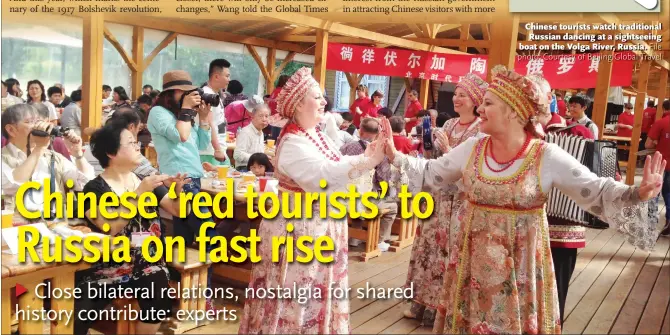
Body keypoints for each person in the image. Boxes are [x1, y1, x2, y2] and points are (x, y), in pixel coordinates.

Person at [381, 65, 663, 334]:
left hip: (521, 268)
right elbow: (432, 173)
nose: (480, 108)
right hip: (471, 263)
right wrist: (394, 155)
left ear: (514, 112)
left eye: (489, 103)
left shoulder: (544, 155)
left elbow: (595, 189)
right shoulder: (473, 148)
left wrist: (638, 193)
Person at [238, 67, 386, 334]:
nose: (324, 102)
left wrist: (367, 158)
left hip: (319, 227)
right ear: (297, 104)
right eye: (317, 97)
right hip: (299, 230)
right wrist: (368, 162)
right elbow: (322, 177)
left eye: (322, 97)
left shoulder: (314, 134)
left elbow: (337, 162)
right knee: (296, 295)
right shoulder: (294, 142)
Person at [75, 122, 184, 335]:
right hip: (106, 266)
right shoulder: (94, 188)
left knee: (159, 302)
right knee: (78, 315)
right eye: (131, 143)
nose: (138, 147)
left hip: (148, 263)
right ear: (110, 152)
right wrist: (139, 193)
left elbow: (176, 209)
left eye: (136, 142)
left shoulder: (145, 180)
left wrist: (179, 191)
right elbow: (109, 226)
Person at [403, 73, 487, 326]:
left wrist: (449, 150)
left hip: (460, 201)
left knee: (450, 252)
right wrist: (429, 145)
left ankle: (444, 308)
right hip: (438, 197)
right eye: (457, 94)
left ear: (475, 100)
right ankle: (420, 303)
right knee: (428, 248)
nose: (457, 99)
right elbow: (434, 159)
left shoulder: (480, 132)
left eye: (463, 95)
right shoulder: (449, 125)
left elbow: (472, 166)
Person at [146, 70, 222, 311]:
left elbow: (199, 144)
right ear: (171, 93)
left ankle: (183, 295)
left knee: (184, 239)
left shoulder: (181, 115)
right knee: (207, 235)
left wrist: (203, 118)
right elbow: (180, 135)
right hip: (180, 181)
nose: (190, 96)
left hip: (194, 180)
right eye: (185, 92)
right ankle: (204, 297)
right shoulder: (158, 113)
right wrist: (188, 111)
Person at [530, 73, 594, 326]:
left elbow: (593, 174)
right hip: (525, 220)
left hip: (562, 223)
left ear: (549, 99)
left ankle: (552, 325)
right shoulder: (517, 131)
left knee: (557, 282)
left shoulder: (578, 131)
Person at [1, 104, 94, 217]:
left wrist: (78, 155)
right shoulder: (3, 158)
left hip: (57, 224)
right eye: (31, 121)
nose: (39, 126)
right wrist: (39, 149)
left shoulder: (53, 157)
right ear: (11, 130)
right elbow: (14, 183)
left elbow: (85, 184)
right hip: (18, 227)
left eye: (38, 121)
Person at [341, 117, 399, 251]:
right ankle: (379, 241)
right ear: (378, 133)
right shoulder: (379, 152)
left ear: (360, 131)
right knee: (392, 207)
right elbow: (383, 178)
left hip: (343, 195)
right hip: (365, 198)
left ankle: (354, 238)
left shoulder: (346, 147)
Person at [199, 59, 232, 168]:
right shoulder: (207, 94)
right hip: (210, 152)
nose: (229, 79)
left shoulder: (214, 94)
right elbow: (209, 123)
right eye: (227, 76)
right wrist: (217, 149)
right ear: (216, 76)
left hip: (216, 149)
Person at [645, 100, 670, 237]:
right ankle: (669, 221)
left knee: (653, 193)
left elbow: (648, 144)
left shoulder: (661, 123)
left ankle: (651, 225)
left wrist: (657, 142)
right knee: (669, 194)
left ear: (664, 109)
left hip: (661, 164)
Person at [233, 103, 271, 170]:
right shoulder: (246, 132)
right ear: (252, 117)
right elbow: (237, 154)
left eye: (266, 116)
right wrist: (257, 159)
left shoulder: (260, 132)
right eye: (261, 116)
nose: (264, 119)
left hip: (256, 168)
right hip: (244, 168)